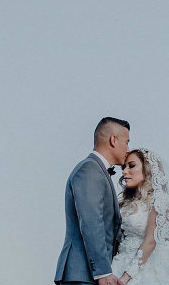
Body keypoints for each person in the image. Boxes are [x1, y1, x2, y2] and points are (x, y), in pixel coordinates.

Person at [55, 117, 131, 285]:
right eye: (126, 142)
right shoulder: (89, 170)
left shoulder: (97, 170)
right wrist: (102, 272)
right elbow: (91, 221)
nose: (128, 149)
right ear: (113, 140)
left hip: (87, 275)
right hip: (82, 274)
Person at [111, 148, 169, 284]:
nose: (125, 171)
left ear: (147, 169)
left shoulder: (159, 200)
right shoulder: (125, 203)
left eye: (131, 166)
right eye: (124, 167)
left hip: (144, 269)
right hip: (117, 264)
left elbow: (150, 241)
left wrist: (126, 277)